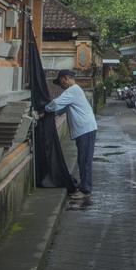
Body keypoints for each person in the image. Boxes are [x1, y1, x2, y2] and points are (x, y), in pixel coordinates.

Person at [46, 69, 98, 198]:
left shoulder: (72, 90)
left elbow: (56, 103)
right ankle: (84, 186)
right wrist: (53, 114)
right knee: (82, 159)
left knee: (84, 160)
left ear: (65, 79)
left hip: (85, 129)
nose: (61, 86)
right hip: (85, 128)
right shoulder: (75, 90)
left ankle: (86, 189)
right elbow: (63, 108)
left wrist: (44, 109)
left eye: (61, 83)